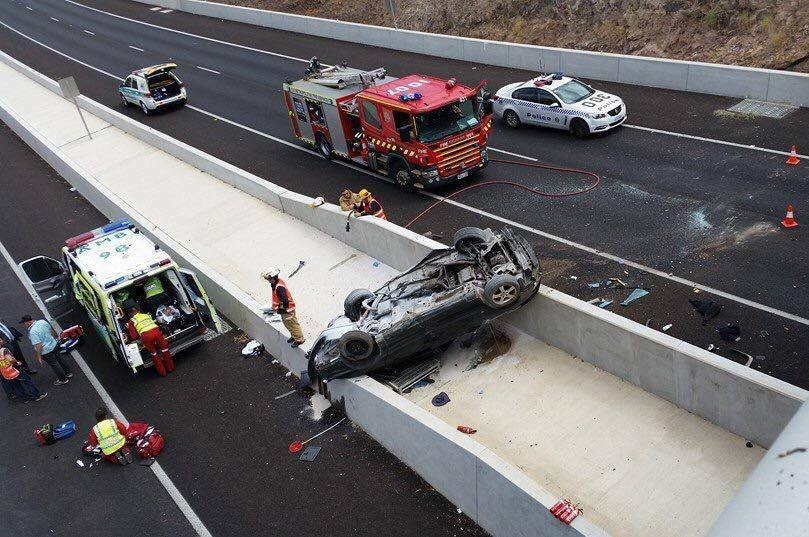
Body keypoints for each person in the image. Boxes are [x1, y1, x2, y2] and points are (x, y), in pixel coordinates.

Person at [21, 315, 73, 386]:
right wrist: (55, 339)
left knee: (54, 364)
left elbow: (38, 345)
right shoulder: (42, 321)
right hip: (54, 344)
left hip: (46, 351)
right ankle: (68, 373)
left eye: (24, 323)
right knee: (60, 359)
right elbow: (51, 331)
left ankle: (63, 379)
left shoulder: (32, 332)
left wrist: (39, 356)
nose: (24, 325)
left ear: (28, 322)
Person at [261, 267, 305, 348]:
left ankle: (299, 339)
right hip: (284, 308)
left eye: (268, 279)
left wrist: (283, 309)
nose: (268, 280)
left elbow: (285, 300)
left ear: (272, 278)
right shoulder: (276, 283)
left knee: (292, 324)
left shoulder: (279, 288)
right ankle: (294, 336)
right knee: (288, 324)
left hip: (288, 308)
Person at [126, 306, 174, 376]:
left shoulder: (132, 321)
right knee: (165, 350)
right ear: (138, 311)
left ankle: (162, 372)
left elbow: (134, 336)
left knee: (154, 354)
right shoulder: (146, 315)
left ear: (130, 314)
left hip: (146, 336)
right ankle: (170, 368)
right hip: (156, 332)